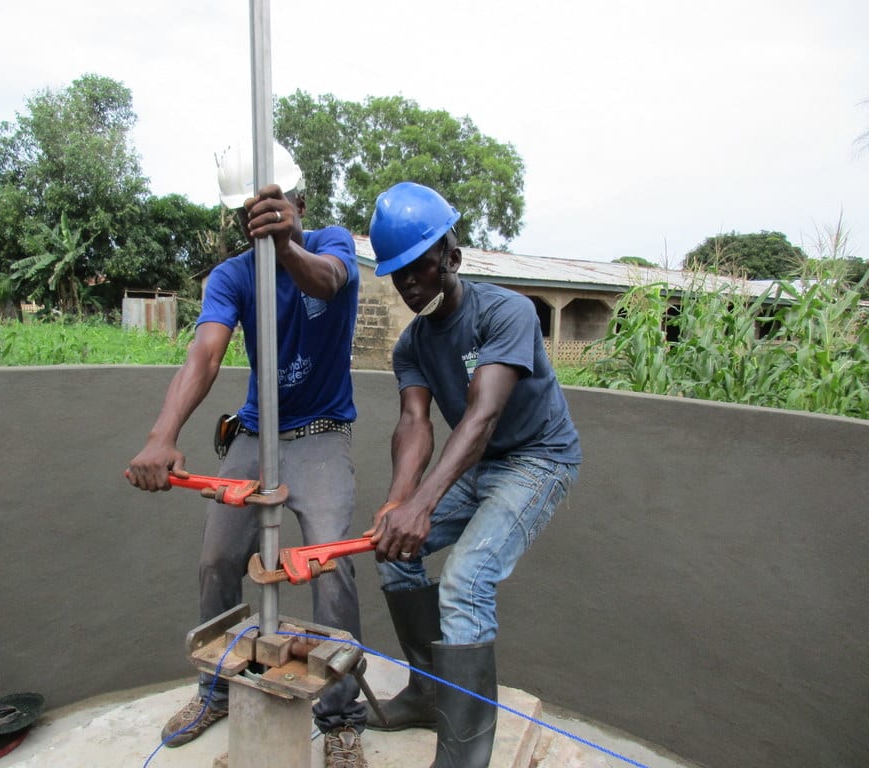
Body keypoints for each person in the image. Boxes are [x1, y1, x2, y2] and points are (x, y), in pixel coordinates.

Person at [125, 140, 368, 768]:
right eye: (248, 209)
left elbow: (331, 280)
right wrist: (163, 433)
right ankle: (217, 690)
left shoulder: (334, 243)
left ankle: (341, 718)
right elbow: (205, 353)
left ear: (300, 202)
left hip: (321, 432)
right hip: (257, 433)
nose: (259, 215)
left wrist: (287, 246)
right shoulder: (231, 275)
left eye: (274, 202)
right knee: (217, 560)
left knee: (329, 561)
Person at [363, 182, 582, 768]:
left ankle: (462, 759)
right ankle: (428, 692)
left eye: (420, 269)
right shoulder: (411, 344)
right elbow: (415, 423)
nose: (410, 285)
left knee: (465, 582)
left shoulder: (504, 311)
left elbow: (482, 416)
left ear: (451, 260)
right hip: (478, 463)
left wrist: (424, 503)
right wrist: (398, 501)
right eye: (398, 276)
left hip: (537, 459)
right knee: (391, 550)